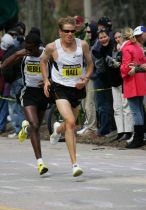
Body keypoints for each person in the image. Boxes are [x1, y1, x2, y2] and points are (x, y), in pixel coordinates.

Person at [40, 16, 93, 177]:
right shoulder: (52, 47)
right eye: (66, 31)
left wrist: (86, 78)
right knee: (71, 122)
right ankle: (74, 164)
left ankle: (57, 129)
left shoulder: (82, 45)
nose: (70, 34)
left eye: (72, 31)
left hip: (77, 87)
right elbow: (43, 61)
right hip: (60, 87)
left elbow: (90, 64)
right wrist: (46, 80)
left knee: (69, 123)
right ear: (60, 32)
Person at [1, 32, 50, 175]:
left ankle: (25, 129)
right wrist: (11, 59)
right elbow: (9, 61)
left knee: (35, 127)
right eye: (26, 48)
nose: (28, 51)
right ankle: (40, 163)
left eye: (30, 49)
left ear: (37, 46)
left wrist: (48, 81)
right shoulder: (24, 54)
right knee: (35, 125)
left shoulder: (46, 54)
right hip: (28, 93)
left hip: (43, 94)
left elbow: (56, 70)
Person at [120, 27, 146, 148]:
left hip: (131, 82)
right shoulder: (138, 47)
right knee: (140, 109)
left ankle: (138, 139)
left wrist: (120, 67)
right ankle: (141, 137)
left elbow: (125, 66)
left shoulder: (126, 48)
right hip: (141, 81)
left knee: (135, 111)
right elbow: (143, 62)